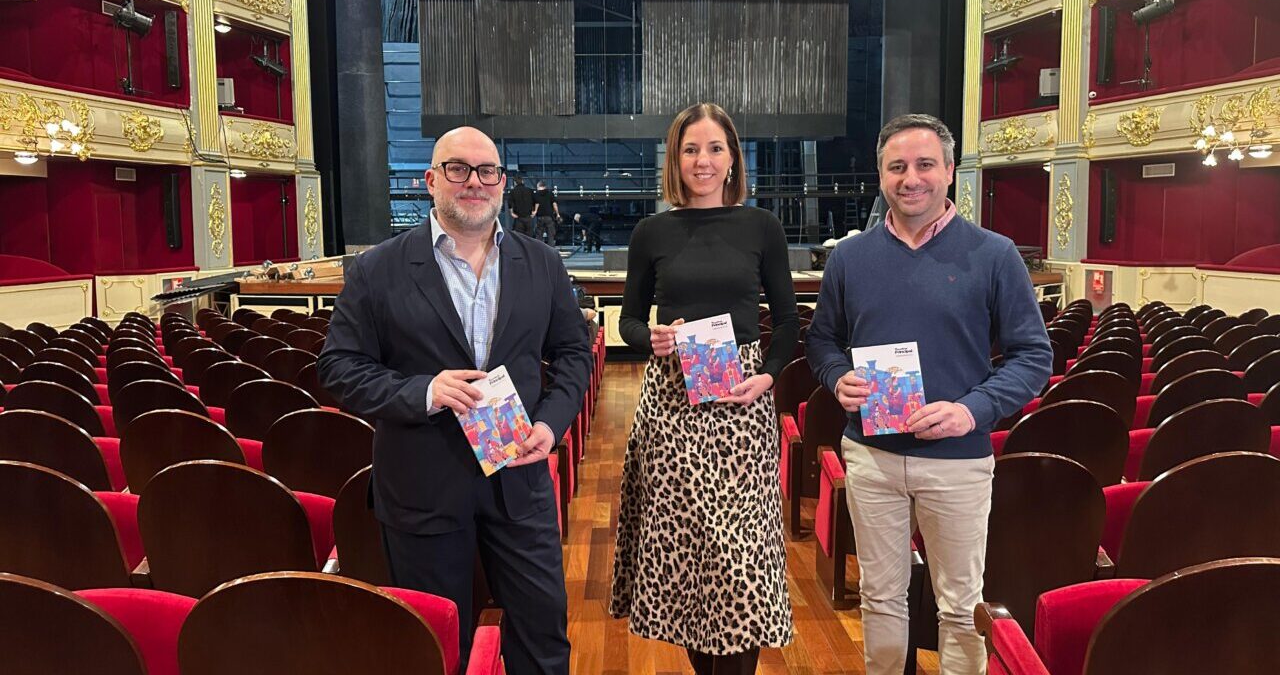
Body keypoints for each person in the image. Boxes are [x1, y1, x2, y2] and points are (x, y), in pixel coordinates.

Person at [318, 126, 592, 675]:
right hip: (422, 485)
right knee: (437, 644)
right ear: (430, 180)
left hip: (519, 475)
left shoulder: (541, 264)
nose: (474, 182)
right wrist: (423, 390)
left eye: (486, 171)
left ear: (502, 182)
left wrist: (551, 423)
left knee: (543, 635)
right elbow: (337, 367)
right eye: (458, 169)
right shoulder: (378, 269)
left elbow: (572, 355)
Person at [805, 114, 1052, 675]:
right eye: (897, 167)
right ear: (881, 175)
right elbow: (822, 341)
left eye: (923, 165)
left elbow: (1033, 356)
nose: (910, 177)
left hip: (958, 463)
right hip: (871, 456)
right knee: (881, 596)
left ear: (949, 171)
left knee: (962, 606)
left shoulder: (994, 254)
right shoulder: (849, 258)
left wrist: (972, 410)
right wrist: (835, 376)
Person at [610, 102, 798, 675]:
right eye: (691, 149)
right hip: (671, 405)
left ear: (733, 158)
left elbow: (789, 323)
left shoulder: (762, 227)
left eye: (716, 148)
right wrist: (654, 338)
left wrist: (765, 376)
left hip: (741, 402)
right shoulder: (652, 232)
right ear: (675, 159)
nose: (704, 160)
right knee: (686, 559)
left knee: (741, 562)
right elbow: (628, 321)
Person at [533, 180, 559, 246]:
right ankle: (551, 252)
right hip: (549, 217)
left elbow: (535, 204)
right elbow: (554, 205)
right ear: (545, 186)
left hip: (539, 217)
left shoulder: (536, 194)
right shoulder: (550, 193)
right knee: (551, 236)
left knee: (539, 236)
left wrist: (534, 212)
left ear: (538, 186)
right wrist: (557, 214)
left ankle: (539, 251)